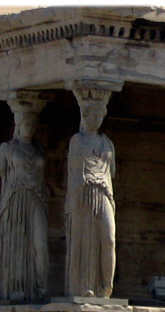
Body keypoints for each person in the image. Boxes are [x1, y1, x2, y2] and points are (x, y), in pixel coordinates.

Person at [0, 99, 48, 301]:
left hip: (37, 197)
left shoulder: (39, 150)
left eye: (33, 124)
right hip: (15, 199)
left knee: (40, 246)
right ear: (18, 125)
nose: (30, 127)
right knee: (17, 244)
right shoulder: (6, 149)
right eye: (27, 123)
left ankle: (41, 289)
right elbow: (2, 174)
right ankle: (16, 289)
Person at [65, 92, 116, 298]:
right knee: (85, 239)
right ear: (84, 116)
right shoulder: (76, 141)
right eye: (91, 115)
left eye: (98, 115)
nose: (95, 119)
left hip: (104, 192)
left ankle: (107, 286)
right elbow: (73, 172)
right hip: (83, 194)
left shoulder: (108, 143)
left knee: (109, 238)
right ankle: (86, 286)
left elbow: (111, 172)